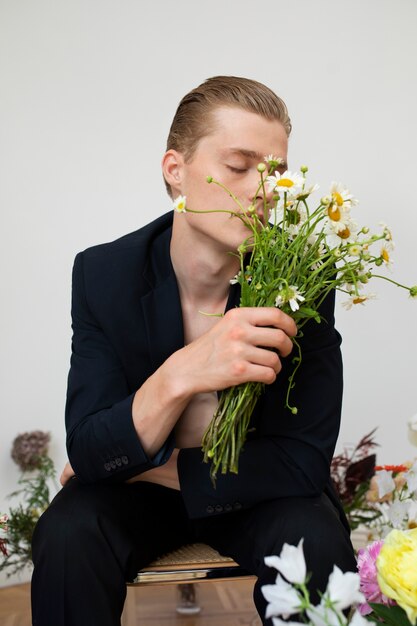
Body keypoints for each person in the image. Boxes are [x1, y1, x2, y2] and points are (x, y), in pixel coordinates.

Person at [31, 76, 357, 626]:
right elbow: (88, 444)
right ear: (174, 170)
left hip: (258, 493)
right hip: (139, 505)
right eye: (239, 166)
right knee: (67, 531)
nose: (265, 189)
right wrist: (184, 370)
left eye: (276, 172)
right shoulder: (103, 274)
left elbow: (302, 463)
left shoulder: (307, 278)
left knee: (318, 541)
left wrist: (140, 468)